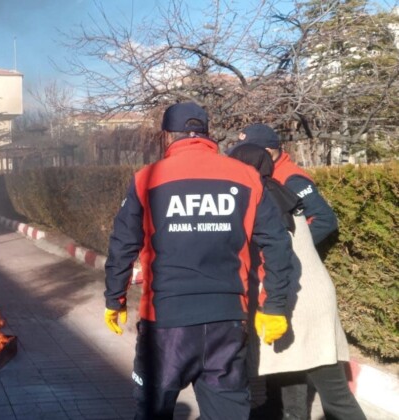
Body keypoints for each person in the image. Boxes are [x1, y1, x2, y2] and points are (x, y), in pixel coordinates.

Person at [103, 102, 293, 419]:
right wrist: (273, 306)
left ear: (167, 137)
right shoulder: (247, 177)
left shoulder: (146, 179)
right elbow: (276, 241)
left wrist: (115, 298)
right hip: (227, 322)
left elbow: (123, 244)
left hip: (165, 325)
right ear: (207, 134)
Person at [230, 143, 365, 420]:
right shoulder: (281, 194)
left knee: (335, 396)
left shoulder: (259, 199)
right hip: (299, 298)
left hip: (298, 302)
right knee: (285, 382)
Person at [235, 124, 338, 246]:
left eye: (247, 151)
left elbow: (324, 220)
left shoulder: (292, 179)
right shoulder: (259, 173)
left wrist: (286, 248)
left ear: (267, 152)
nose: (240, 156)